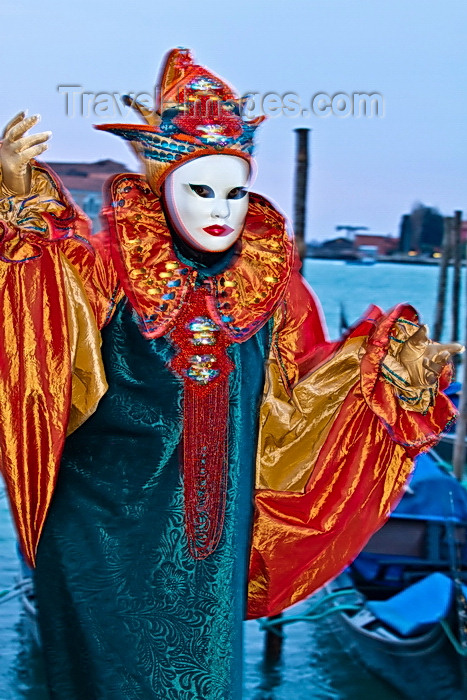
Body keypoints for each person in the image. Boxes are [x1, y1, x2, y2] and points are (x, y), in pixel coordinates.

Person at [0, 48, 461, 700]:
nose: (221, 208)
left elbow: (300, 395)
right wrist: (15, 216)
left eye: (236, 191)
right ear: (160, 186)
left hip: (212, 548)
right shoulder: (101, 270)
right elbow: (38, 347)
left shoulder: (271, 291)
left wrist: (388, 375)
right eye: (200, 188)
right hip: (100, 535)